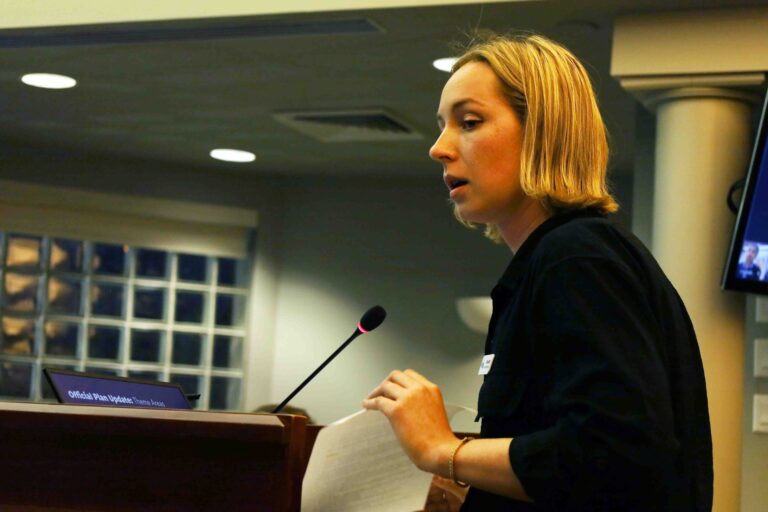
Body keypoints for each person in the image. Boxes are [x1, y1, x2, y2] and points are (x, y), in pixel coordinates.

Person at [363, 34, 713, 511]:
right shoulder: (553, 259)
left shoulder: (577, 258)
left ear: (543, 132)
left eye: (469, 122)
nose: (438, 148)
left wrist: (442, 451)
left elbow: (616, 456)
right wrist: (468, 486)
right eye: (442, 126)